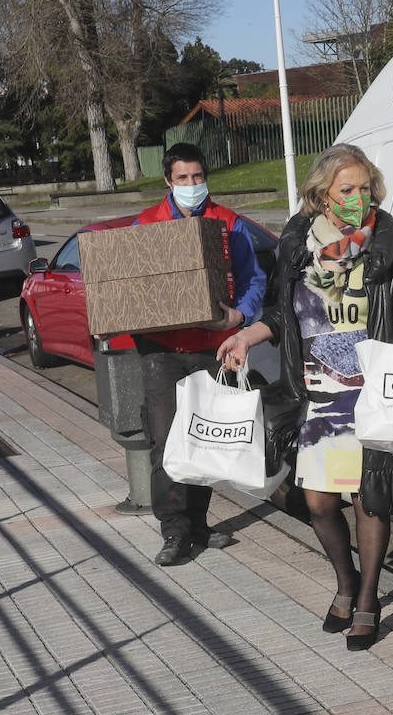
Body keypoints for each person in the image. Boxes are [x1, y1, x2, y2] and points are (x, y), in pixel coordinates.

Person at [217, 143, 393, 650]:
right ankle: (345, 582)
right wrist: (246, 337)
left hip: (371, 392)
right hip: (318, 393)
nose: (358, 198)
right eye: (347, 190)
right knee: (317, 502)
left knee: (369, 498)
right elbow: (279, 314)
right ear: (320, 196)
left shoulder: (390, 247)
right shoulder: (295, 251)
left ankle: (366, 599)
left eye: (365, 188)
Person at [133, 143, 267, 566]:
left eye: (198, 177)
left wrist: (239, 315)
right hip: (163, 351)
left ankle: (199, 524)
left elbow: (254, 280)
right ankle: (174, 531)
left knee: (204, 441)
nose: (192, 185)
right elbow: (129, 285)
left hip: (214, 350)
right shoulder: (147, 224)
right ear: (168, 182)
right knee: (166, 443)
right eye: (183, 178)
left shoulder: (228, 223)